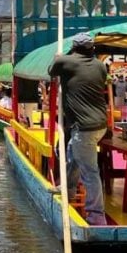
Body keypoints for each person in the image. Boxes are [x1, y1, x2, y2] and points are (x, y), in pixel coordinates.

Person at [48, 31, 110, 225]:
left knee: (89, 171)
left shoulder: (66, 62)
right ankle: (67, 189)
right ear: (92, 49)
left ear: (74, 48)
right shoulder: (100, 66)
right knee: (72, 155)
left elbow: (51, 70)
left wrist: (58, 58)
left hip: (85, 127)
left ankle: (96, 215)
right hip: (99, 124)